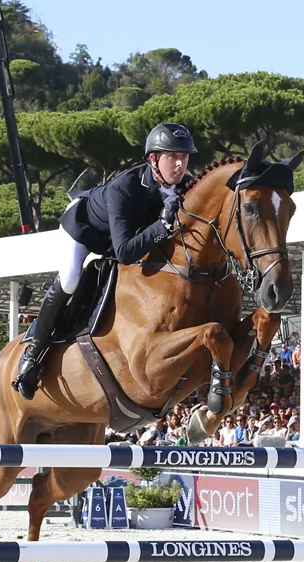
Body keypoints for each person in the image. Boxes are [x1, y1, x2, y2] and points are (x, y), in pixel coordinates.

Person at [13, 122, 196, 399]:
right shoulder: (124, 187)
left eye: (184, 157)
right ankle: (33, 352)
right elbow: (124, 252)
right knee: (72, 277)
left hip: (126, 237)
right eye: (172, 156)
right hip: (85, 229)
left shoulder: (188, 184)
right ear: (153, 159)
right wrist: (161, 226)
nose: (180, 164)